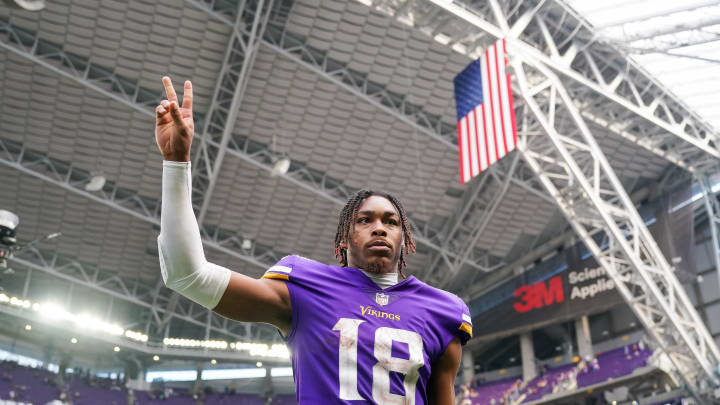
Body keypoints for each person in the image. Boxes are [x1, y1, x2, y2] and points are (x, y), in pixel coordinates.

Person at [154, 77, 473, 404]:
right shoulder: (305, 286)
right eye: (365, 220)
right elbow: (187, 275)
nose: (380, 228)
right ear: (344, 240)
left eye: (390, 222)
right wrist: (176, 161)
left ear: (404, 240)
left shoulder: (443, 311)